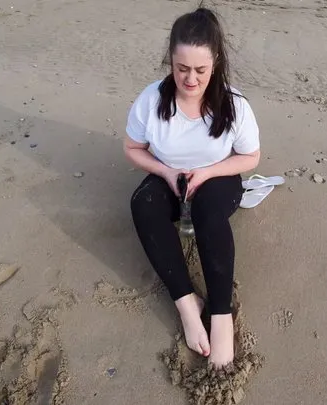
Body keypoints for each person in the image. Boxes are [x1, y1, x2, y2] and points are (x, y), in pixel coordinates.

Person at [124, 7, 260, 368]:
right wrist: (165, 173)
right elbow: (132, 149)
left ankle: (220, 316)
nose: (190, 79)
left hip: (217, 180)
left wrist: (210, 171)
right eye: (181, 68)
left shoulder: (234, 104)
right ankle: (186, 303)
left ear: (215, 61)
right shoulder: (151, 101)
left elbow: (251, 157)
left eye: (200, 70)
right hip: (172, 177)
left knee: (208, 211)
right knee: (143, 203)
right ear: (171, 60)